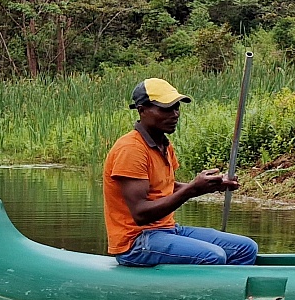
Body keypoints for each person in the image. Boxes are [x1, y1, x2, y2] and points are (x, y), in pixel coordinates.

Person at [102, 78, 259, 266]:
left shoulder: (163, 145)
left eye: (176, 107)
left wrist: (210, 186)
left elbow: (168, 187)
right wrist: (192, 189)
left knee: (246, 248)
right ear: (142, 110)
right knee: (213, 256)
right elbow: (141, 214)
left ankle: (229, 294)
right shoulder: (131, 149)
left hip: (167, 230)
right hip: (135, 241)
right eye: (166, 108)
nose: (175, 114)